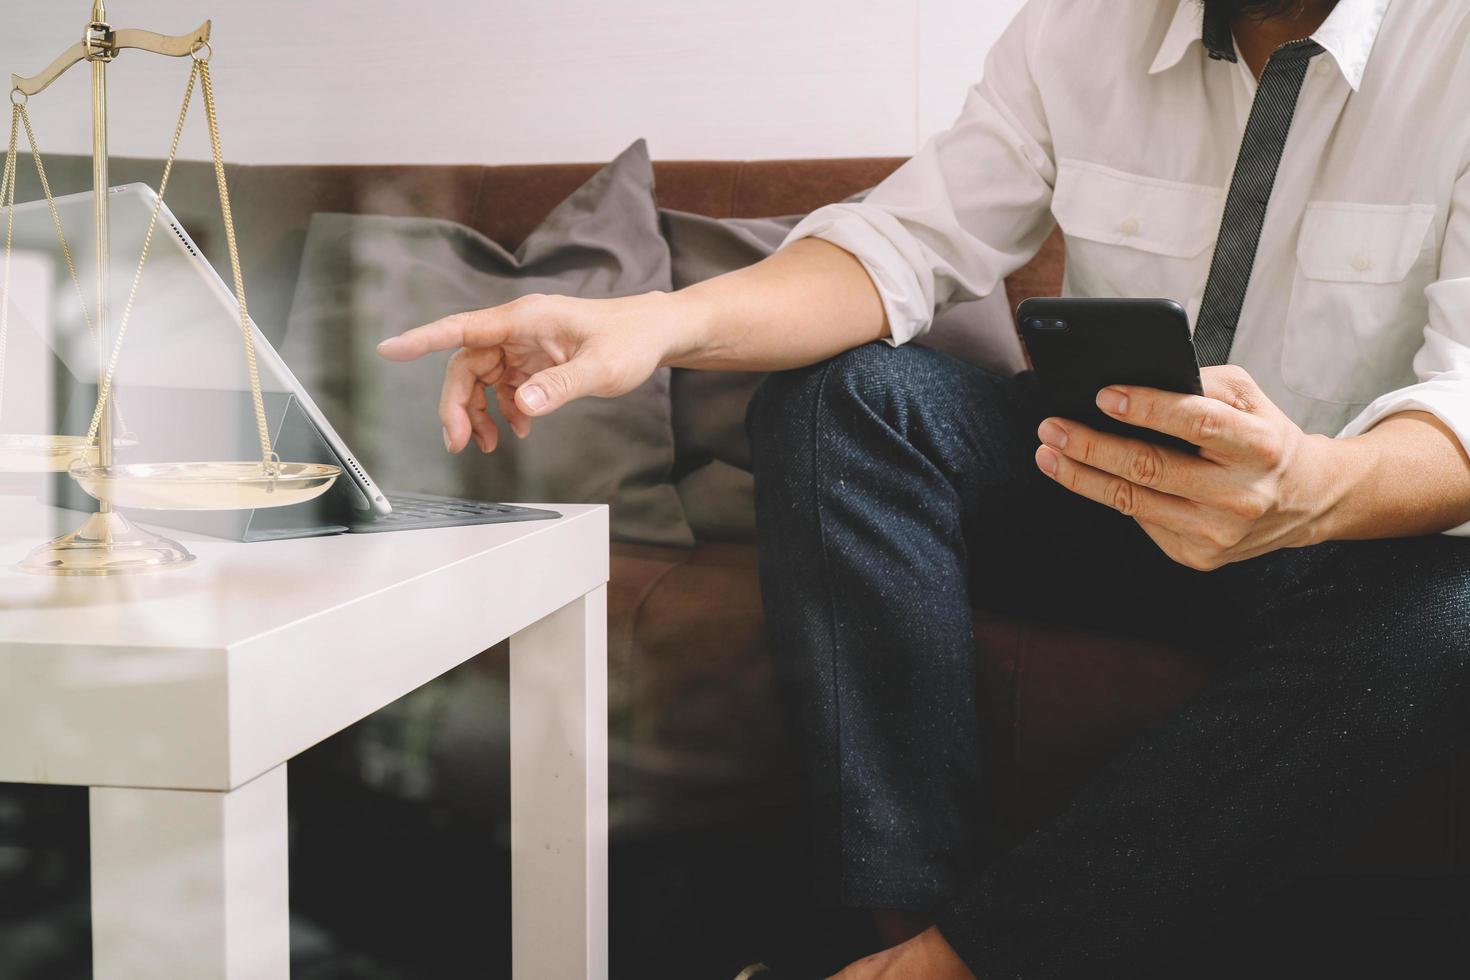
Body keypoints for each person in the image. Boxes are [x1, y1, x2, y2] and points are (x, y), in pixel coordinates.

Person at [377, 0, 1470, 975]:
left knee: (1450, 614)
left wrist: (1316, 485)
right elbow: (898, 242)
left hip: (1341, 527)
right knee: (844, 395)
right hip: (1100, 483)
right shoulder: (1077, 27)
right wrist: (650, 324)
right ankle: (888, 921)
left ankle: (963, 957)